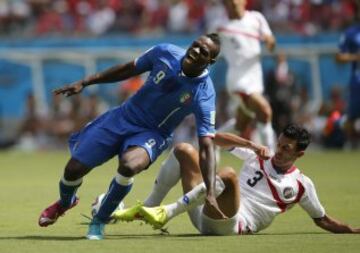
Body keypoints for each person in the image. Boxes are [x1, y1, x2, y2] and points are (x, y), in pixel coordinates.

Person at [38, 33, 227, 240]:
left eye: (204, 51)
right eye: (196, 45)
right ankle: (65, 203)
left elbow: (207, 143)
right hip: (123, 116)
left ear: (211, 61)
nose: (197, 50)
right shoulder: (165, 53)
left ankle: (99, 221)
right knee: (73, 169)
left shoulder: (204, 93)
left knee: (129, 165)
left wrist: (210, 191)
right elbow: (129, 68)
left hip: (153, 133)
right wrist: (85, 82)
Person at [113, 124, 360, 235]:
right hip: (202, 208)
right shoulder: (260, 154)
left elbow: (322, 220)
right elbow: (214, 139)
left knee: (228, 173)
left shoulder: (301, 185)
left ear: (299, 154)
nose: (280, 150)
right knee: (184, 150)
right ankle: (150, 207)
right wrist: (252, 145)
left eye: (287, 148)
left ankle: (167, 212)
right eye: (280, 144)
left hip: (230, 224)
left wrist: (351, 230)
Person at [216, 0, 277, 151]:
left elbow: (271, 41)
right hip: (238, 80)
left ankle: (211, 142)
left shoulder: (256, 18)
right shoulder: (220, 25)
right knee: (264, 110)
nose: (234, 2)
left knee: (241, 123)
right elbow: (206, 44)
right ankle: (272, 159)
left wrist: (269, 42)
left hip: (255, 79)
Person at [335, 19, 360, 148]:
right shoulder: (351, 32)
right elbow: (339, 56)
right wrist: (356, 57)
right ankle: (349, 143)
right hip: (357, 81)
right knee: (352, 117)